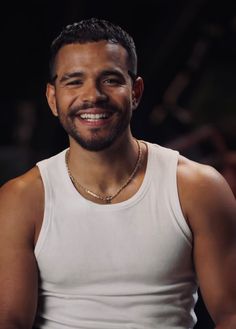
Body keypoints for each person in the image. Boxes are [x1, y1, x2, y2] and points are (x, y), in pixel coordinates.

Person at [0, 18, 235, 329]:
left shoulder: (197, 188)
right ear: (52, 98)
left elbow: (231, 313)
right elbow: (11, 321)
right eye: (73, 81)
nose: (92, 95)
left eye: (110, 79)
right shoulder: (22, 199)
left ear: (135, 92)